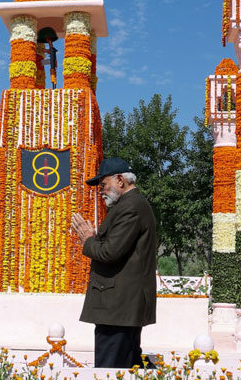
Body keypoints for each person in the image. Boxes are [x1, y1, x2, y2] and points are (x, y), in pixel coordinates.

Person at [71, 157, 157, 369]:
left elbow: (110, 252)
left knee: (110, 369)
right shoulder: (132, 204)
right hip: (122, 308)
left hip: (118, 308)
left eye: (103, 184)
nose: (100, 191)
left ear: (120, 180)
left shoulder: (131, 207)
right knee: (130, 365)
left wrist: (88, 238)